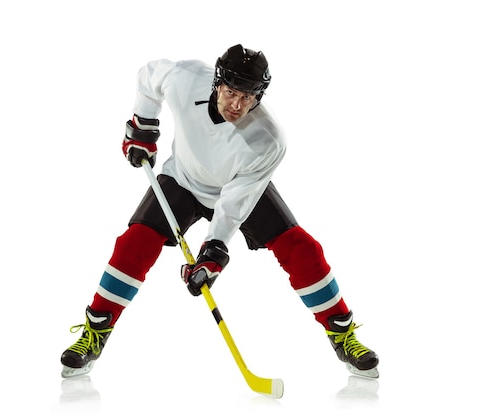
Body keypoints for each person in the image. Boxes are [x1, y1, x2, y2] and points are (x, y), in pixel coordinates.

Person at [60, 44, 379, 380]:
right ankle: (94, 333)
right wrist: (144, 126)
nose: (237, 105)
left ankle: (343, 334)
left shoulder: (268, 139)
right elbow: (148, 75)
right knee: (133, 245)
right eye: (230, 93)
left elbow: (234, 203)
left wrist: (214, 250)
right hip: (182, 178)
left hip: (235, 188)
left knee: (303, 250)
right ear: (216, 83)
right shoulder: (184, 78)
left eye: (247, 97)